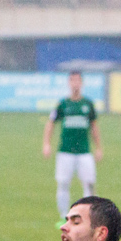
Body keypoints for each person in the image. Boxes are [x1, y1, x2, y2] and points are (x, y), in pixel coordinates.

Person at [43, 70, 102, 225]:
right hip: (65, 152)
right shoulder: (63, 104)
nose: (75, 83)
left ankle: (88, 217)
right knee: (63, 184)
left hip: (84, 151)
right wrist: (47, 144)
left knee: (89, 183)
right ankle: (64, 217)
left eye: (78, 80)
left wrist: (98, 148)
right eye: (72, 80)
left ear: (82, 83)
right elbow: (50, 123)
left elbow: (94, 126)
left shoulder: (87, 104)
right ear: (69, 83)